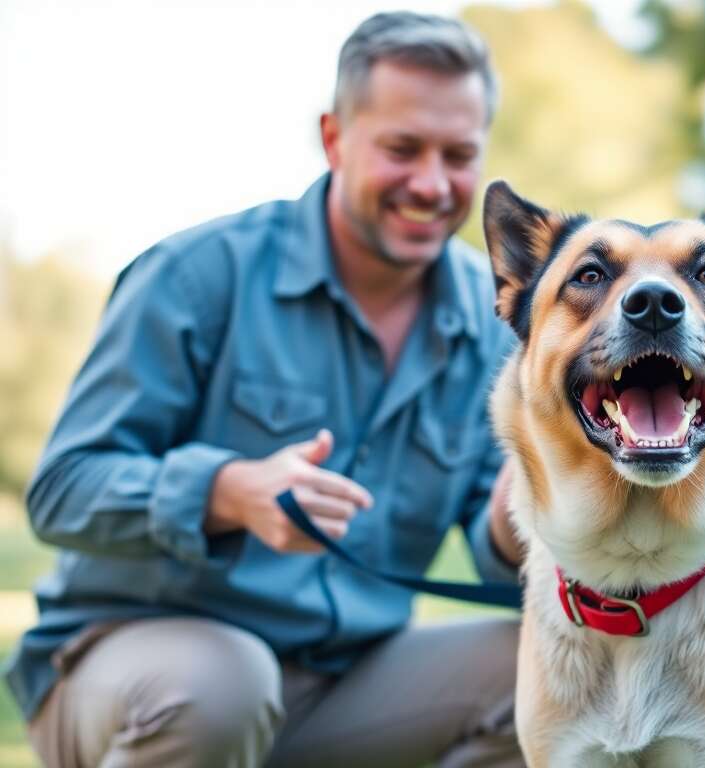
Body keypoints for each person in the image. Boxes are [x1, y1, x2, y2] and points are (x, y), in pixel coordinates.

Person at [3, 11, 527, 768]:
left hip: (346, 682)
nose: (432, 183)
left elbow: (493, 546)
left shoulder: (495, 320)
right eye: (402, 149)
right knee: (222, 689)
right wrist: (226, 491)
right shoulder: (196, 277)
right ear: (334, 137)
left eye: (460, 155)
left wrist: (525, 508)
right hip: (133, 670)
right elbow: (61, 490)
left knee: (557, 669)